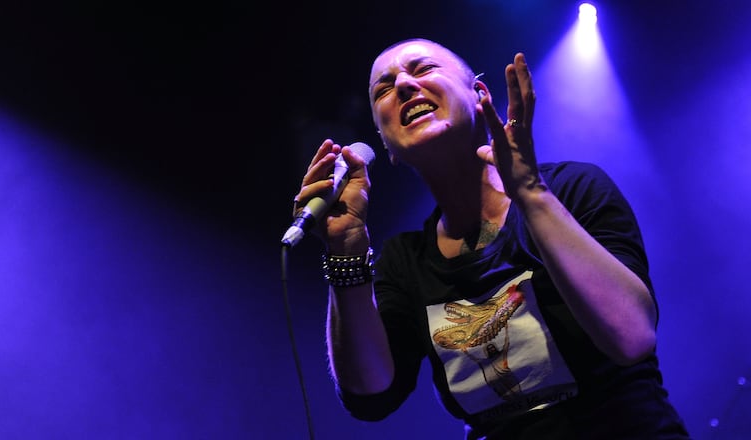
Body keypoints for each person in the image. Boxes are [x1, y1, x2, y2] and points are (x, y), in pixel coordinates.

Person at [291, 37, 691, 439]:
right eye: (384, 87)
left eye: (423, 69)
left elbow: (632, 337)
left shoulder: (572, 189)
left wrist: (530, 193)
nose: (403, 86)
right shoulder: (404, 261)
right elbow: (370, 394)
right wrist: (346, 253)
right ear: (387, 146)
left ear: (480, 95)